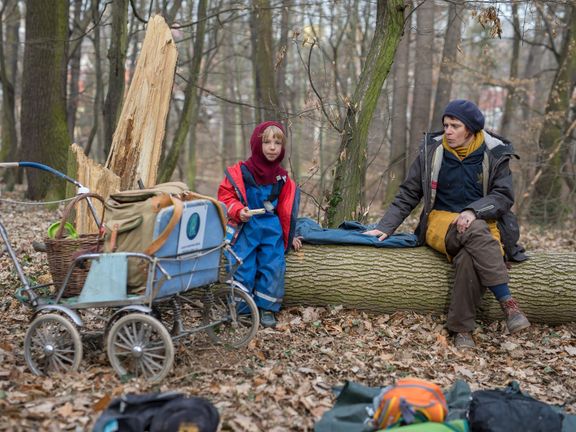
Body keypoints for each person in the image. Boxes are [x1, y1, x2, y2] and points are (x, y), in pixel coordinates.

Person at [364, 99, 530, 349]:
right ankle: (507, 301)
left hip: (485, 224)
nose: (448, 131)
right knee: (474, 230)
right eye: (446, 125)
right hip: (440, 223)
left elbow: (503, 196)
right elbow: (409, 192)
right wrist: (386, 226)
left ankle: (461, 330)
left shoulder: (495, 154)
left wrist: (474, 210)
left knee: (468, 258)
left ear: (471, 130)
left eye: (455, 126)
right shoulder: (432, 152)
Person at [218, 121, 301, 328]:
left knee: (273, 266)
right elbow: (226, 197)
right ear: (257, 144)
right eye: (267, 142)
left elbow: (286, 211)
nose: (272, 147)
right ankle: (241, 308)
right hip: (246, 227)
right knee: (242, 264)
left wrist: (290, 235)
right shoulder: (242, 172)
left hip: (271, 229)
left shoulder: (282, 178)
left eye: (277, 143)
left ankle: (267, 308)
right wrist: (238, 210)